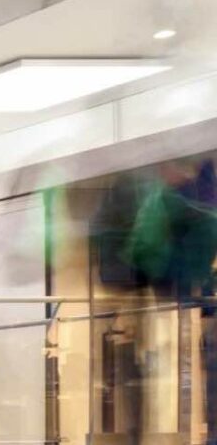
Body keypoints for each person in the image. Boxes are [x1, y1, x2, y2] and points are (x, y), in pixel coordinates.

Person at [89, 157, 217, 443]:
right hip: (165, 295)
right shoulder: (170, 200)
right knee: (158, 374)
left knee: (154, 375)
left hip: (159, 295)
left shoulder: (161, 199)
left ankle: (147, 435)